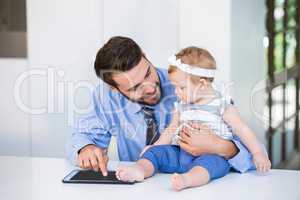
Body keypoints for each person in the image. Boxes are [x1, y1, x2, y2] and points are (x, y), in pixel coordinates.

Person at [66, 36, 257, 178]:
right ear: (114, 88)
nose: (149, 87)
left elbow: (252, 156)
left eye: (148, 73)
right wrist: (87, 148)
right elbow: (80, 137)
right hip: (143, 187)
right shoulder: (106, 97)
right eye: (135, 87)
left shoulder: (189, 83)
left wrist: (221, 147)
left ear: (145, 56)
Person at [115, 46, 271, 191]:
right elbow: (171, 129)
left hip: (210, 155)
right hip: (180, 153)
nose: (176, 92)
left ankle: (187, 180)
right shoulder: (182, 105)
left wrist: (257, 152)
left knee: (211, 165)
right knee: (155, 154)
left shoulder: (221, 105)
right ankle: (140, 169)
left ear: (202, 85)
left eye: (181, 87)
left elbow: (242, 129)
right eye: (174, 86)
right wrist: (156, 146)